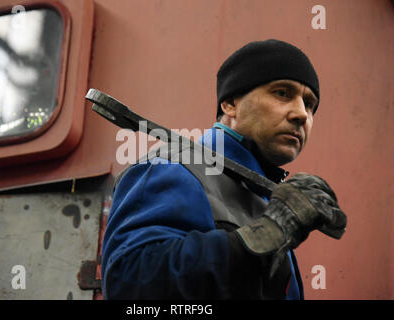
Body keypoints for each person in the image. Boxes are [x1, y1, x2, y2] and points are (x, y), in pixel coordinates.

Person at [101, 39, 347, 299]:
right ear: (230, 104)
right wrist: (264, 237)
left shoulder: (272, 205)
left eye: (309, 104)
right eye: (282, 93)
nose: (301, 114)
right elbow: (130, 285)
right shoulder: (173, 167)